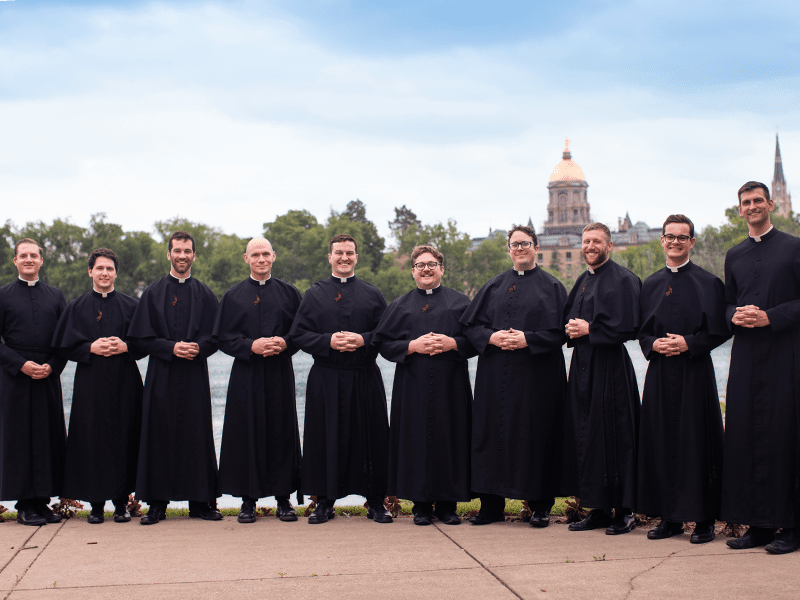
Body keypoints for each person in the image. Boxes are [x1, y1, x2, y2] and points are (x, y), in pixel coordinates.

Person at [460, 225, 569, 527]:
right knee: (490, 436)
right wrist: (492, 338)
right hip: (495, 378)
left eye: (525, 243)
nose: (520, 249)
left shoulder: (553, 287)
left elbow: (561, 332)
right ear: (508, 250)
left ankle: (541, 506)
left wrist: (528, 339)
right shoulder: (493, 286)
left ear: (536, 247)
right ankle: (491, 506)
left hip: (538, 378)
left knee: (536, 436)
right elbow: (471, 327)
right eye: (514, 244)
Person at [636, 216, 729, 544]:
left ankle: (704, 519)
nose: (675, 242)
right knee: (660, 442)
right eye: (670, 237)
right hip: (660, 373)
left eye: (682, 237)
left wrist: (690, 343)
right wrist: (653, 344)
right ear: (661, 240)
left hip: (694, 373)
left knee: (697, 443)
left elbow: (720, 329)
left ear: (692, 242)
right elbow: (641, 331)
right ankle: (669, 518)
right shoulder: (649, 284)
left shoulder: (708, 282)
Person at [289, 234, 392, 524]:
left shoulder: (372, 294)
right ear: (330, 257)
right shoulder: (314, 294)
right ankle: (324, 502)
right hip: (326, 376)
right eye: (338, 253)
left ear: (356, 257)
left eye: (349, 252)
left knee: (371, 438)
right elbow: (299, 335)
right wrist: (328, 341)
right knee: (325, 438)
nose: (344, 257)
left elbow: (387, 335)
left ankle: (375, 502)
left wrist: (364, 339)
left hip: (363, 376)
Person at [722, 181, 800, 554]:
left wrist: (770, 316)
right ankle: (758, 525)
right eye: (745, 202)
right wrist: (735, 314)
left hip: (786, 354)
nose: (752, 207)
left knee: (786, 436)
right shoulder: (734, 255)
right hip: (747, 357)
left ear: (770, 204)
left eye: (758, 201)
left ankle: (792, 525)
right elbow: (727, 305)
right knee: (747, 435)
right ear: (739, 210)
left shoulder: (794, 247)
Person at [373, 245, 475, 526]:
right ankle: (420, 506)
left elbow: (477, 339)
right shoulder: (399, 305)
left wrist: (453, 343)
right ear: (413, 271)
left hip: (450, 386)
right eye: (420, 265)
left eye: (432, 264)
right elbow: (382, 343)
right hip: (413, 387)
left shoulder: (460, 303)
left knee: (450, 439)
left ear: (442, 269)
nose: (426, 269)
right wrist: (412, 345)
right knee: (415, 441)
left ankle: (448, 506)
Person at [127, 231, 221, 524]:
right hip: (162, 374)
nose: (182, 256)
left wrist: (199, 348)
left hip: (194, 373)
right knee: (158, 435)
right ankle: (157, 503)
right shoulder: (153, 293)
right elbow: (140, 338)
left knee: (197, 434)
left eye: (188, 251)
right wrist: (171, 347)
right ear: (169, 254)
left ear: (194, 255)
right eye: (177, 250)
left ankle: (200, 502)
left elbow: (217, 337)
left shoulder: (205, 293)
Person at [52, 248, 145, 524]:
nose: (105, 273)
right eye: (100, 268)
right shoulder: (77, 307)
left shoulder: (131, 306)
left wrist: (126, 346)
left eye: (110, 269)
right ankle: (96, 505)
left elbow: (146, 342)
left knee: (127, 436)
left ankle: (120, 503)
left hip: (125, 380)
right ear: (90, 271)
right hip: (90, 383)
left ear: (116, 273)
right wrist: (89, 347)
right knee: (91, 440)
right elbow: (63, 345)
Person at [213, 237, 302, 524]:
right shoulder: (233, 295)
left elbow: (301, 333)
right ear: (246, 259)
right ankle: (247, 500)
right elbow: (222, 337)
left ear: (274, 257)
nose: (261, 259)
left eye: (266, 254)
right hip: (247, 373)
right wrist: (250, 346)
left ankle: (283, 498)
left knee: (282, 430)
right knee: (246, 432)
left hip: (279, 371)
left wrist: (284, 342)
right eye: (256, 254)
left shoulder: (289, 294)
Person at [563, 222, 641, 535]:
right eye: (586, 241)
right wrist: (571, 329)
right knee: (588, 435)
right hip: (582, 365)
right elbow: (568, 319)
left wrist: (590, 330)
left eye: (596, 241)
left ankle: (624, 510)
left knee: (615, 434)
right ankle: (598, 508)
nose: (590, 246)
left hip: (611, 366)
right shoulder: (582, 280)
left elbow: (631, 327)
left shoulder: (624, 279)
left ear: (609, 246)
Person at [0, 239, 67, 526]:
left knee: (47, 437)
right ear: (15, 261)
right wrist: (20, 364)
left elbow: (67, 340)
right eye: (23, 256)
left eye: (34, 255)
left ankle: (43, 501)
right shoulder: (2, 296)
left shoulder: (56, 296)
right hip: (14, 376)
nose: (29, 259)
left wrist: (52, 366)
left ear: (42, 260)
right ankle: (24, 504)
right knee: (19, 439)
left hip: (47, 375)